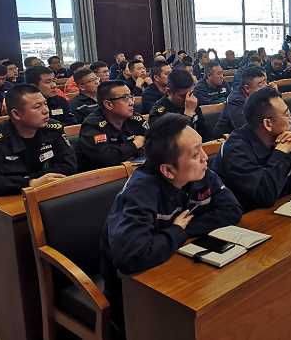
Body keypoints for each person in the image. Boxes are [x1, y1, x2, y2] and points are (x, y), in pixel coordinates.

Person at [101, 113, 242, 334]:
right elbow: (132, 257)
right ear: (168, 170)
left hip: (177, 265)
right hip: (133, 292)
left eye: (202, 148)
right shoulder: (141, 191)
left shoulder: (200, 173)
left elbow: (232, 210)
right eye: (195, 154)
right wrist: (176, 231)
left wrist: (182, 230)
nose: (205, 157)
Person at [213, 87, 291, 213]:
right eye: (287, 115)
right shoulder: (235, 151)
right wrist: (280, 154)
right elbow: (265, 196)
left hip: (286, 205)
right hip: (251, 217)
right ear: (268, 124)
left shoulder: (282, 137)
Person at [0, 84, 76, 200]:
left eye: (45, 104)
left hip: (51, 194)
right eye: (37, 107)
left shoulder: (53, 129)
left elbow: (69, 165)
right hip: (10, 200)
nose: (46, 110)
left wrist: (34, 181)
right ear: (16, 114)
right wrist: (29, 182)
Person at [75, 81, 148, 171]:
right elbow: (107, 159)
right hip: (99, 177)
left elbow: (154, 144)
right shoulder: (92, 126)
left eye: (131, 97)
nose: (132, 102)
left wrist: (124, 155)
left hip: (132, 171)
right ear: (108, 104)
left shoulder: (135, 119)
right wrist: (136, 144)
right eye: (125, 98)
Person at [149, 69, 212, 141]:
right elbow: (174, 141)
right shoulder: (158, 113)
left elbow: (204, 132)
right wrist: (188, 113)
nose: (187, 99)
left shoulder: (192, 101)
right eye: (183, 96)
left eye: (190, 94)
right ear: (169, 92)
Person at [213, 66, 274, 139]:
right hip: (228, 139)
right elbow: (242, 126)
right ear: (247, 88)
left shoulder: (259, 94)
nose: (265, 86)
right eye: (260, 84)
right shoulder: (235, 100)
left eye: (265, 81)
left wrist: (273, 94)